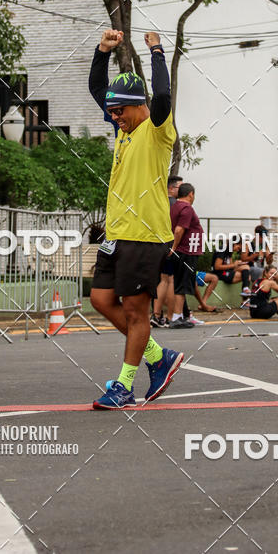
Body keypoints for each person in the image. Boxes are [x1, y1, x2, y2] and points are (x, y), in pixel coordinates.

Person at [89, 28, 183, 409]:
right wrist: (102, 52)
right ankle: (159, 358)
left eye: (120, 111)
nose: (114, 118)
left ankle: (125, 385)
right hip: (117, 233)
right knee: (100, 299)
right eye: (111, 113)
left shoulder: (158, 131)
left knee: (135, 309)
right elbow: (98, 89)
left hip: (145, 236)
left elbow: (161, 94)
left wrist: (157, 51)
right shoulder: (122, 130)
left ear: (138, 106)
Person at [169, 182, 204, 328]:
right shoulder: (186, 208)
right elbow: (179, 230)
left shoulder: (175, 207)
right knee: (182, 284)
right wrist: (174, 248)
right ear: (190, 194)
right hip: (186, 251)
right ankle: (177, 317)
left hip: (182, 251)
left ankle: (180, 316)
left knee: (180, 283)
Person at [150, 174, 184, 328]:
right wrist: (175, 246)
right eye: (180, 187)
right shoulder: (176, 205)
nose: (182, 190)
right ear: (171, 188)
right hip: (170, 244)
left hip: (158, 243)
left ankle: (157, 315)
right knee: (170, 280)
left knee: (163, 279)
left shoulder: (160, 202)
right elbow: (178, 229)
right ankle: (169, 317)